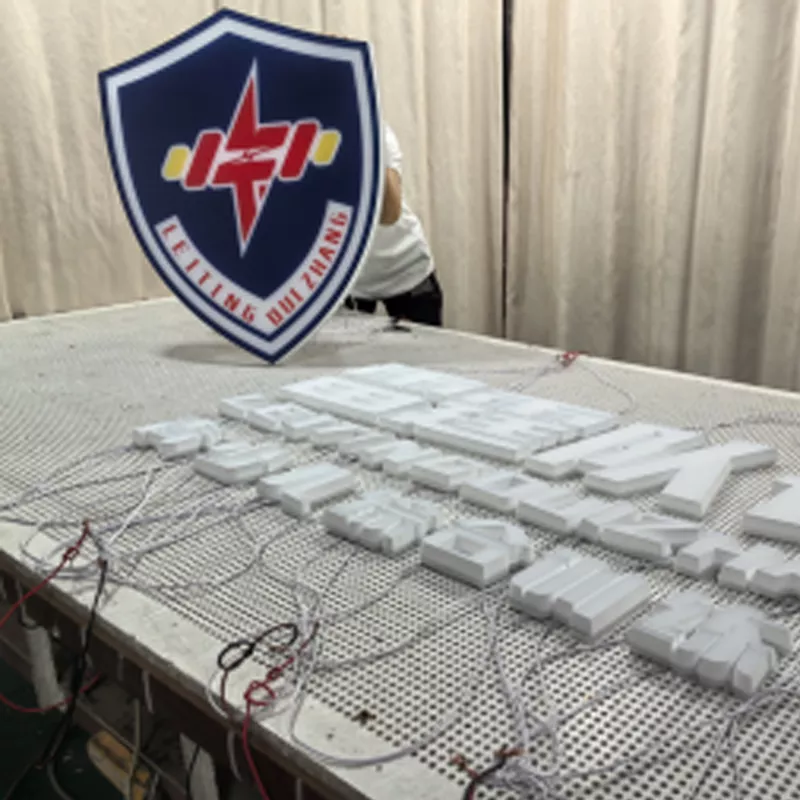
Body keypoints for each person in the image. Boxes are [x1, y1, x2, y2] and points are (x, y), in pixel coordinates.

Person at [345, 125, 443, 326]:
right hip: (353, 282)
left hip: (406, 269)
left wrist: (369, 143)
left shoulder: (379, 132)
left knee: (423, 346)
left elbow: (389, 214)